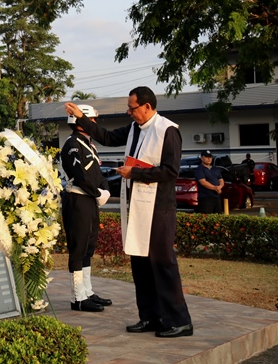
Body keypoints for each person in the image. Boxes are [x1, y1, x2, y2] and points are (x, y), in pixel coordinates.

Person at [64, 86, 193, 338]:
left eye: (132, 108)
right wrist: (80, 117)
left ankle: (179, 320)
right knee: (140, 264)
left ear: (147, 106)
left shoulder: (168, 130)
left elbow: (170, 171)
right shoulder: (135, 127)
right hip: (137, 206)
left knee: (162, 263)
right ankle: (150, 316)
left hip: (159, 209)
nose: (129, 112)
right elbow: (107, 137)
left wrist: (135, 173)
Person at [60, 104, 112, 313]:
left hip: (90, 200)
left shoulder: (88, 144)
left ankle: (87, 292)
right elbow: (80, 175)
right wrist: (97, 193)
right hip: (78, 200)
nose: (94, 123)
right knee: (78, 248)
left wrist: (105, 190)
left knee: (88, 248)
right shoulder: (72, 145)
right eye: (91, 120)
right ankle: (77, 297)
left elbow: (98, 173)